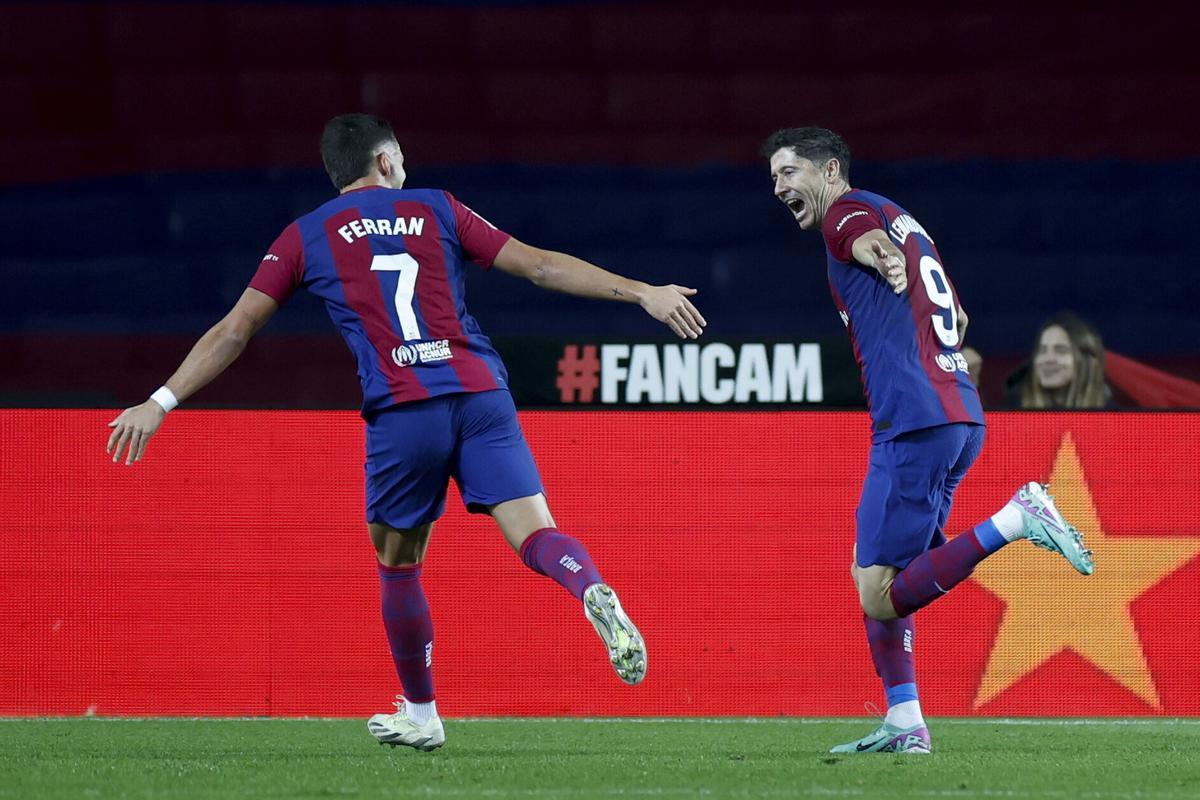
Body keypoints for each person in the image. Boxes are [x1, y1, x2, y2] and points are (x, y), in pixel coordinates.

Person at [107, 113, 707, 751]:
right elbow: (536, 266)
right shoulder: (437, 207)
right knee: (535, 534)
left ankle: (422, 715)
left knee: (398, 564)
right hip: (481, 394)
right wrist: (642, 291)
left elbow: (235, 329)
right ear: (387, 160)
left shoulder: (306, 235)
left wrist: (160, 400)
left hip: (402, 408)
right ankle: (588, 585)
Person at [761, 127, 1093, 755]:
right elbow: (959, 319)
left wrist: (875, 255)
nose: (779, 187)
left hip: (913, 419)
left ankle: (1015, 519)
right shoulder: (908, 222)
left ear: (830, 170)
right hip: (957, 414)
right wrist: (891, 262)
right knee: (882, 570)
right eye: (773, 178)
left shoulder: (848, 212)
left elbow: (865, 242)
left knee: (877, 591)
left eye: (788, 172)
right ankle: (905, 720)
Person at [1019, 312, 1108, 408]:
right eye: (1042, 350)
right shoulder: (1011, 416)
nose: (1048, 359)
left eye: (1061, 350)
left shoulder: (1113, 419)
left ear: (1086, 361)